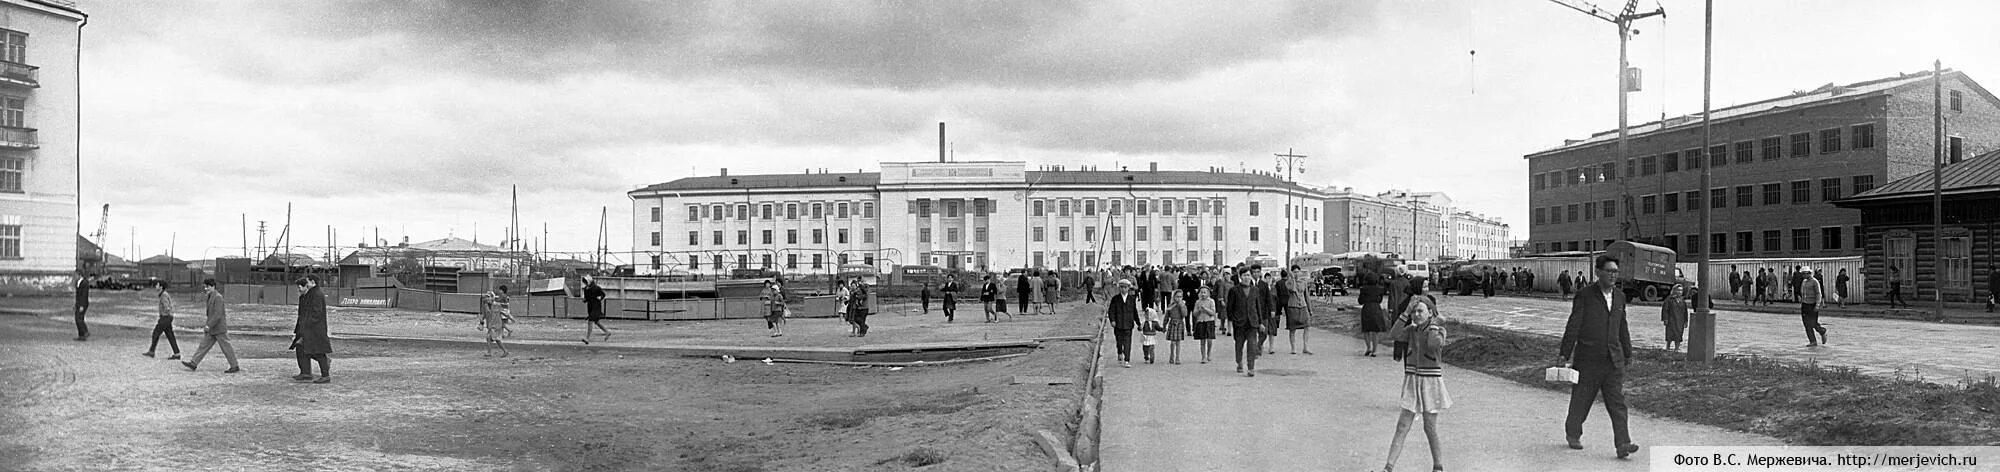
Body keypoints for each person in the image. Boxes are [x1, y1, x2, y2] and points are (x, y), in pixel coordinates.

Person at [1558, 255, 1639, 459]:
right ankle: (1573, 433)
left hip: (1613, 360)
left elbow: (1622, 327)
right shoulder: (1585, 295)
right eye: (1609, 271)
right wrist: (1564, 354)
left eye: (1615, 271)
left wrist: (1628, 352)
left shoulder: (1620, 296)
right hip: (1588, 360)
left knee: (1617, 403)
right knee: (1581, 400)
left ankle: (1623, 443)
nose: (1613, 275)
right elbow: (1573, 324)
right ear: (1598, 272)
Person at [1370, 293, 1451, 472]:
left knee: (1429, 427)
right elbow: (1393, 334)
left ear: (1430, 312)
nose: (1416, 315)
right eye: (1414, 311)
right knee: (1402, 426)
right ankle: (1388, 468)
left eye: (1420, 311)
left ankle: (1438, 466)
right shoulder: (1411, 330)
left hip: (1430, 382)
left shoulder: (1438, 330)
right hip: (1413, 381)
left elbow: (1432, 344)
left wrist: (1435, 324)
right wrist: (1405, 313)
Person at [182, 279, 240, 373]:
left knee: (226, 348)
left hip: (219, 328)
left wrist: (208, 325)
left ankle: (234, 365)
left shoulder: (218, 297)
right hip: (212, 328)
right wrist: (208, 325)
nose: (206, 288)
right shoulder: (210, 296)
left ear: (213, 286)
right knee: (203, 346)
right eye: (205, 286)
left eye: (208, 286)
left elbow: (218, 314)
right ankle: (193, 363)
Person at [291, 275, 333, 383]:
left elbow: (316, 314)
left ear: (312, 282)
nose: (306, 283)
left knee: (319, 352)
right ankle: (305, 373)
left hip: (314, 329)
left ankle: (325, 375)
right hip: (308, 329)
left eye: (307, 281)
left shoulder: (316, 295)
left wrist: (306, 324)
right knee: (301, 347)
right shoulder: (312, 294)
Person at [1227, 270, 1265, 376]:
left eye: (1248, 275)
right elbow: (1230, 307)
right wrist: (1232, 320)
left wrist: (1260, 322)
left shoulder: (1255, 290)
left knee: (1252, 345)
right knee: (1239, 345)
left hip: (1252, 323)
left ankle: (1251, 368)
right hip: (1239, 323)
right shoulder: (1234, 290)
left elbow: (1258, 307)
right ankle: (1239, 362)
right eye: (1244, 275)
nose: (1246, 277)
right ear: (1240, 277)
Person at [143, 284, 182, 360]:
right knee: (170, 335)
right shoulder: (163, 294)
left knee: (156, 333)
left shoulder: (163, 295)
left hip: (165, 317)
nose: (155, 286)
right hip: (167, 317)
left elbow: (167, 307)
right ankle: (177, 354)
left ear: (161, 287)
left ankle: (151, 352)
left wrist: (165, 315)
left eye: (157, 285)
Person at [1107, 280, 1139, 368]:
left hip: (1128, 324)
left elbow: (1134, 312)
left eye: (1125, 287)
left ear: (1128, 288)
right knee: (1119, 341)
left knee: (1128, 342)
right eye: (1121, 287)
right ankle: (1119, 352)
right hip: (1118, 324)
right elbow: (1111, 311)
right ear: (1119, 288)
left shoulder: (1132, 299)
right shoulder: (1115, 299)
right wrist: (1112, 320)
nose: (1123, 289)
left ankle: (1127, 360)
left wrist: (1139, 323)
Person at [1282, 270, 1312, 355]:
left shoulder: (1303, 282)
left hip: (1303, 306)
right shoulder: (1288, 282)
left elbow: (1307, 296)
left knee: (1307, 327)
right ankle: (1293, 348)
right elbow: (1291, 289)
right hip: (1292, 307)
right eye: (1294, 272)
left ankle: (1305, 347)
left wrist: (1310, 309)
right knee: (1292, 329)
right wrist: (1292, 278)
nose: (1296, 273)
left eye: (1297, 272)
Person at [1358, 273, 1389, 357]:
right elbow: (1380, 300)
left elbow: (1360, 301)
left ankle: (1368, 348)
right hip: (1376, 308)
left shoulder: (1363, 289)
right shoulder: (1380, 289)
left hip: (1367, 308)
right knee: (1375, 331)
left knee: (1366, 330)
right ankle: (1375, 350)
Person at [481, 285, 515, 357]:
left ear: (492, 298)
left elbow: (504, 313)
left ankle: (490, 353)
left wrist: (511, 318)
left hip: (496, 325)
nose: (487, 299)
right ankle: (504, 351)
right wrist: (481, 321)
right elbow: (484, 314)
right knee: (495, 339)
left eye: (488, 297)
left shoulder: (497, 305)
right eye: (486, 297)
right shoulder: (485, 306)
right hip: (491, 325)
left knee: (489, 337)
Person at [1799, 269, 1827, 347]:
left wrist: (1817, 305)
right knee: (1806, 324)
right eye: (1803, 274)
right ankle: (1813, 341)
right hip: (1805, 305)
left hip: (1813, 304)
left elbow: (1818, 294)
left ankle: (1822, 331)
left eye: (1804, 274)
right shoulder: (1804, 282)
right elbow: (1802, 292)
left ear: (1809, 273)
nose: (1803, 276)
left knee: (1813, 323)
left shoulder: (1815, 281)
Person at [581, 276, 610, 344]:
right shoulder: (586, 289)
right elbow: (587, 298)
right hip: (590, 307)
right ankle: (607, 332)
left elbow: (603, 294)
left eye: (586, 281)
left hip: (596, 306)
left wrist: (600, 298)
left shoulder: (596, 288)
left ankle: (587, 339)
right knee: (597, 322)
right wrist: (584, 300)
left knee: (590, 321)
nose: (585, 283)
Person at [1192, 288, 1218, 364]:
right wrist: (1199, 310)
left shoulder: (1211, 301)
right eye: (1201, 292)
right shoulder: (1198, 302)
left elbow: (1213, 312)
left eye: (1205, 292)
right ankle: (1203, 356)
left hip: (1209, 321)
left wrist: (1206, 309)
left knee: (1209, 339)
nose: (1203, 294)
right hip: (1201, 321)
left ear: (1208, 293)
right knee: (1202, 340)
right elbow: (1194, 314)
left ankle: (1209, 352)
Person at [1660, 285, 1689, 351]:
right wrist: (1665, 319)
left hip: (1680, 321)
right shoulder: (1669, 299)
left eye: (1681, 290)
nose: (1680, 292)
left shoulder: (1682, 300)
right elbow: (1665, 309)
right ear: (1674, 290)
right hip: (1671, 320)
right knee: (1670, 334)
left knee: (1678, 334)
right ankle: (1668, 347)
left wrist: (1686, 321)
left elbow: (1685, 311)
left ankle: (1677, 348)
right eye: (1678, 290)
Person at [1260, 270, 1282, 355]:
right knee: (1263, 330)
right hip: (1264, 311)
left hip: (1273, 311)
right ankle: (1261, 345)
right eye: (1266, 278)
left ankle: (1271, 347)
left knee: (1272, 330)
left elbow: (1277, 300)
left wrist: (1277, 311)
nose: (1268, 279)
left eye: (1269, 278)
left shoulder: (1274, 289)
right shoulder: (1261, 288)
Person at [1164, 290, 1189, 365]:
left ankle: (1177, 357)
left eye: (1180, 297)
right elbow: (1166, 316)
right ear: (1174, 297)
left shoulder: (1183, 305)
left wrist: (1181, 306)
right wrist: (1164, 325)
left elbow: (1185, 314)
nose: (1179, 298)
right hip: (1172, 323)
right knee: (1172, 342)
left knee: (1178, 342)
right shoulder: (1171, 305)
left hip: (1179, 323)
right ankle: (1171, 355)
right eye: (1177, 297)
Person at [73, 274, 93, 341]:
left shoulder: (84, 283)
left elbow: (84, 295)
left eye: (75, 275)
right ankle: (81, 335)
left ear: (79, 275)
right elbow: (78, 295)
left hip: (83, 303)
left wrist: (82, 305)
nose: (74, 276)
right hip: (79, 303)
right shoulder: (78, 282)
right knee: (78, 318)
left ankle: (85, 332)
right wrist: (76, 304)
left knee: (78, 318)